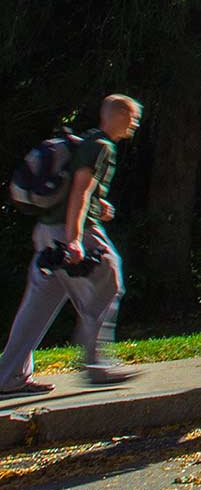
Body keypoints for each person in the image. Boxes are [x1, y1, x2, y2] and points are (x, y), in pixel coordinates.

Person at [0, 95, 144, 395]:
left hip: (46, 233)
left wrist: (99, 204)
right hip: (72, 232)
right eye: (132, 116)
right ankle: (97, 364)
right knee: (110, 280)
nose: (135, 123)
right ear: (117, 114)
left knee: (37, 306)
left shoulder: (88, 141)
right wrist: (75, 239)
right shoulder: (101, 147)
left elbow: (80, 190)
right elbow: (79, 191)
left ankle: (8, 376)